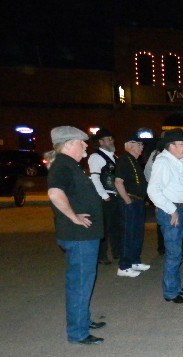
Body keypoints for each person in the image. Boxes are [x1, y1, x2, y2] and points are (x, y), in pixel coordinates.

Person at [47, 126, 105, 345]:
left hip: (83, 237)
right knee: (80, 283)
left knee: (84, 281)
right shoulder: (63, 164)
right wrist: (74, 217)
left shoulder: (69, 165)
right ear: (69, 143)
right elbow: (54, 192)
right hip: (78, 237)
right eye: (82, 142)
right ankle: (78, 332)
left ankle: (83, 320)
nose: (86, 145)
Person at [147, 128, 183, 303]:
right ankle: (170, 292)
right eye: (182, 144)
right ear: (171, 146)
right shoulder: (164, 162)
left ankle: (175, 287)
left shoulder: (176, 161)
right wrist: (172, 209)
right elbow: (153, 190)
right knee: (173, 253)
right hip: (171, 212)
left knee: (176, 252)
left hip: (179, 210)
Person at [114, 133, 149, 277]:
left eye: (142, 145)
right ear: (130, 145)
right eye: (139, 144)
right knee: (128, 234)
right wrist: (127, 201)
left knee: (137, 233)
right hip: (130, 201)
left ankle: (134, 260)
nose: (142, 147)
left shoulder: (134, 161)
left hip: (138, 201)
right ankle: (124, 266)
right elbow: (118, 182)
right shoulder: (124, 159)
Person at [88, 128, 122, 265]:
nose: (111, 141)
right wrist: (103, 195)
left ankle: (117, 251)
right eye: (108, 139)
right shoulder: (96, 157)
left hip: (114, 195)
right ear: (101, 142)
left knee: (115, 225)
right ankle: (101, 255)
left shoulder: (114, 157)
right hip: (106, 196)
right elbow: (95, 178)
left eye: (111, 138)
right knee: (104, 227)